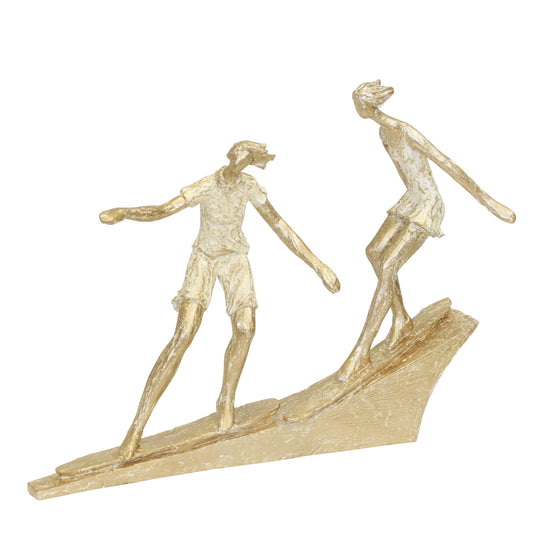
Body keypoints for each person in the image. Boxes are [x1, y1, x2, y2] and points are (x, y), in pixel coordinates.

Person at [100, 140, 340, 458]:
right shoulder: (207, 186)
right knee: (183, 335)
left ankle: (226, 399)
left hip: (234, 259)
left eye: (250, 156)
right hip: (204, 259)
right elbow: (164, 209)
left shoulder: (249, 187)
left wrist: (318, 266)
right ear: (230, 155)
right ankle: (137, 427)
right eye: (241, 152)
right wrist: (125, 213)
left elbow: (279, 225)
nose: (244, 159)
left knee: (245, 328)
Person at [337, 81, 515, 381]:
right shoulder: (383, 133)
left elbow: (447, 164)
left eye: (358, 103)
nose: (357, 109)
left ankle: (361, 350)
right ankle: (401, 318)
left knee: (389, 265)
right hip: (411, 200)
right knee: (374, 252)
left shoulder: (406, 131)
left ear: (368, 105)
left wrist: (489, 203)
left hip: (428, 204)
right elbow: (407, 174)